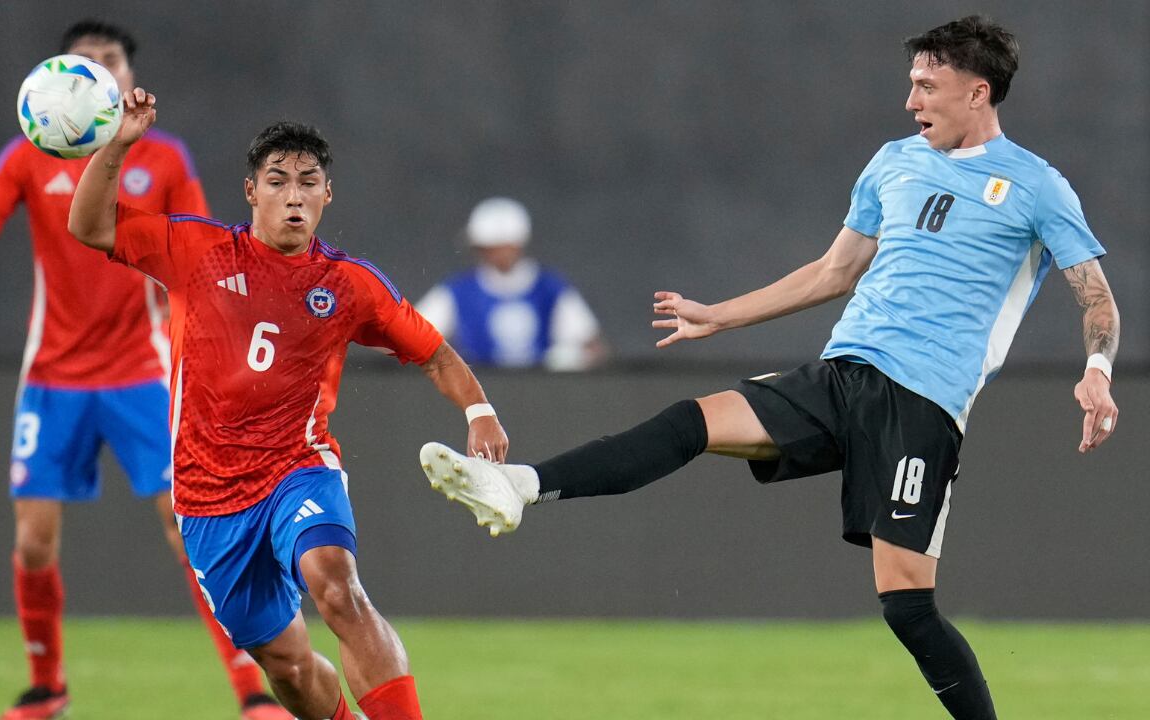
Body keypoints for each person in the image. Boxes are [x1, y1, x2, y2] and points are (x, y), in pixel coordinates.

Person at [418, 16, 1119, 720]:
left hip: (924, 403)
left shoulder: (1036, 187)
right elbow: (835, 269)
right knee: (691, 421)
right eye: (911, 84)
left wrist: (1097, 368)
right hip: (845, 372)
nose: (912, 101)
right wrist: (720, 315)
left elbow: (1097, 297)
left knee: (907, 607)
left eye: (927, 86)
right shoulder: (893, 162)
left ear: (979, 91)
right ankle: (522, 483)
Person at [67, 85, 509, 719]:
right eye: (278, 181)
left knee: (336, 584)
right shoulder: (196, 252)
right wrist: (118, 144)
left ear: (328, 195)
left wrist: (480, 412)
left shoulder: (348, 285)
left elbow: (436, 354)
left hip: (295, 470)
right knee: (290, 667)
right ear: (252, 192)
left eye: (309, 182)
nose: (294, 195)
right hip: (208, 498)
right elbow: (88, 225)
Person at [0, 20, 290, 720]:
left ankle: (252, 690)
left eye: (108, 59)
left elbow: (205, 252)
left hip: (142, 373)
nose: (95, 69)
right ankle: (46, 686)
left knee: (189, 527)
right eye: (80, 61)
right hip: (54, 376)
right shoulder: (27, 155)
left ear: (126, 74)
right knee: (32, 539)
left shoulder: (166, 157)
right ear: (58, 78)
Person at [414, 197, 603, 370]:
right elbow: (411, 336)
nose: (496, 254)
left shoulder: (550, 288)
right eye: (487, 248)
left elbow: (592, 345)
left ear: (516, 245)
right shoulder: (459, 291)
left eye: (498, 248)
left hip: (544, 393)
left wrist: (573, 357)